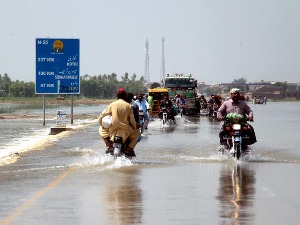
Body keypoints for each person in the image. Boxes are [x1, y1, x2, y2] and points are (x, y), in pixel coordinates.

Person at [98, 88, 140, 157]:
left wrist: (100, 122)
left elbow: (103, 114)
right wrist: (135, 127)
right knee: (137, 134)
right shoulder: (128, 106)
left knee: (101, 130)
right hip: (125, 129)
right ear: (125, 95)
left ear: (117, 95)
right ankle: (128, 149)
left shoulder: (112, 104)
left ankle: (109, 146)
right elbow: (132, 119)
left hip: (113, 128)